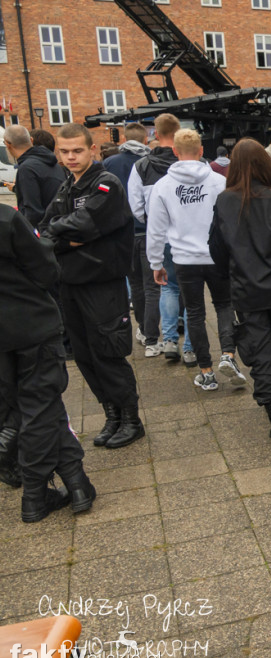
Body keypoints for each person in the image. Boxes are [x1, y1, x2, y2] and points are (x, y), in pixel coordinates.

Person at [40, 123, 144, 450]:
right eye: (65, 152)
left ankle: (130, 420)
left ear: (92, 150)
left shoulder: (105, 184)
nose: (70, 157)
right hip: (70, 283)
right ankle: (111, 415)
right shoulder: (66, 186)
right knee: (84, 355)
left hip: (102, 283)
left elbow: (85, 225)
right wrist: (65, 237)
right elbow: (45, 229)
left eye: (77, 151)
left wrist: (65, 237)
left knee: (108, 353)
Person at [209, 138, 271, 443]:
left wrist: (226, 276)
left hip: (247, 290)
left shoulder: (225, 201)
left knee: (264, 348)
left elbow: (216, 249)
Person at [1, 204, 96, 522]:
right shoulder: (6, 218)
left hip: (19, 330)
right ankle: (35, 494)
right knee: (39, 409)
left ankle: (76, 481)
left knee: (35, 407)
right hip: (30, 325)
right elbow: (47, 270)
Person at [146, 129, 242, 391]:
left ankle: (206, 371)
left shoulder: (163, 186)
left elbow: (155, 229)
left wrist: (156, 263)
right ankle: (228, 355)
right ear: (201, 151)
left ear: (175, 152)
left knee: (195, 313)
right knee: (224, 305)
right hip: (216, 256)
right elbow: (231, 221)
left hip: (184, 259)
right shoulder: (217, 182)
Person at [127, 113, 194, 364]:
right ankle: (189, 343)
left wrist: (154, 225)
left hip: (159, 236)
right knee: (189, 290)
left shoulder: (141, 166)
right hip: (188, 236)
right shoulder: (189, 162)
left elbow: (135, 206)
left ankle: (168, 341)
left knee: (167, 287)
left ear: (154, 133)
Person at [104, 122, 160, 358]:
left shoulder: (109, 163)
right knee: (152, 287)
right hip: (148, 229)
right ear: (145, 139)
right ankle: (152, 338)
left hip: (123, 233)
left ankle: (143, 329)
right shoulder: (151, 163)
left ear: (124, 139)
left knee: (135, 285)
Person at [2, 124, 67, 229]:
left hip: (44, 234)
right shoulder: (53, 163)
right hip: (58, 225)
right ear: (31, 140)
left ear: (8, 144)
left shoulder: (27, 168)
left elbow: (32, 211)